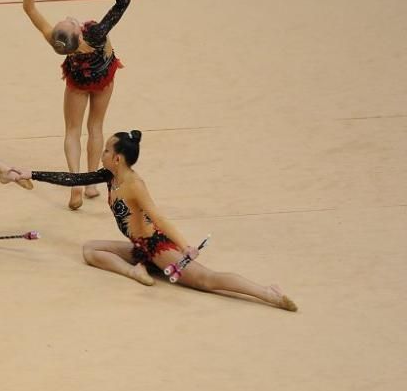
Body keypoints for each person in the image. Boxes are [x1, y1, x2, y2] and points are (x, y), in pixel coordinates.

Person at [31, 130, 298, 311]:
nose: (101, 155)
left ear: (117, 157)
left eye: (104, 151)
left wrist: (184, 247)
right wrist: (30, 173)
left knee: (207, 280)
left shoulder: (135, 184)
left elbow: (158, 217)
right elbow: (74, 179)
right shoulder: (110, 175)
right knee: (90, 249)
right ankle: (134, 271)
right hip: (140, 250)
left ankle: (268, 293)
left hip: (157, 248)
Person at [21, 0, 130, 210]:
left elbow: (29, 9)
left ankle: (75, 185)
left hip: (77, 82)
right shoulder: (96, 34)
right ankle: (90, 184)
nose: (69, 18)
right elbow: (123, 2)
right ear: (79, 35)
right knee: (95, 127)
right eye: (70, 22)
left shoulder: (55, 40)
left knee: (72, 131)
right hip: (103, 79)